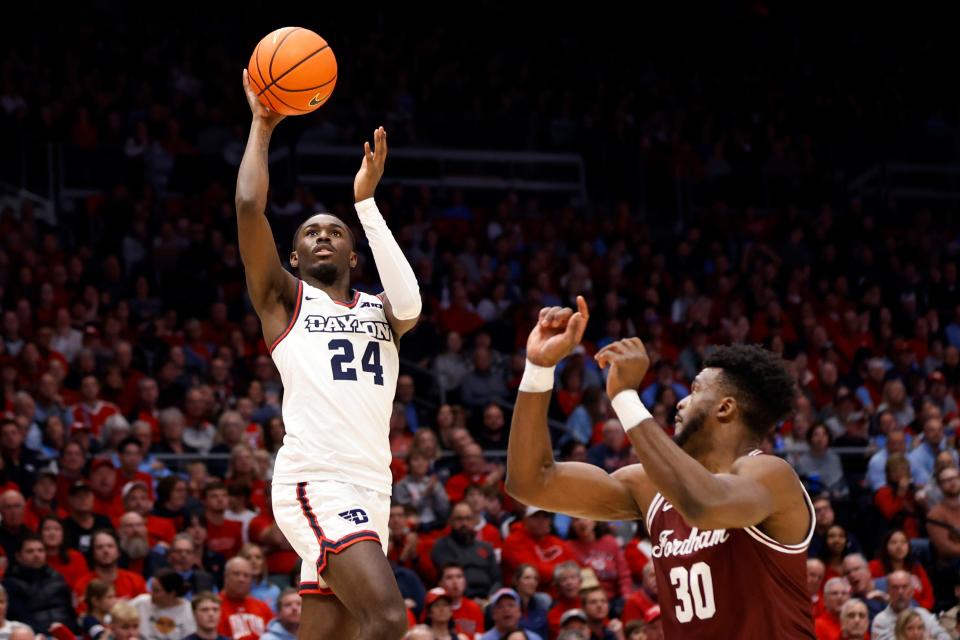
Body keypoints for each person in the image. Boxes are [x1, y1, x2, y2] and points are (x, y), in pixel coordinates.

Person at [506, 298, 815, 638]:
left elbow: (705, 504)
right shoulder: (651, 487)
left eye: (695, 391)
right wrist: (538, 368)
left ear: (725, 408)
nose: (681, 401)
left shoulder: (772, 475)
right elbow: (531, 482)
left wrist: (625, 397)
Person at [237, 68, 420, 640]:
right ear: (292, 258)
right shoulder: (284, 301)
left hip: (373, 487)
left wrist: (365, 204)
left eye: (335, 231)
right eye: (311, 232)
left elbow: (411, 303)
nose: (322, 235)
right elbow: (248, 206)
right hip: (317, 481)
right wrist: (262, 126)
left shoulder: (381, 310)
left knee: (334, 632)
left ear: (353, 254)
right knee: (389, 620)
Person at [129, 568, 196, 640]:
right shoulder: (141, 602)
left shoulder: (189, 611)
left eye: (156, 590)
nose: (151, 594)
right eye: (151, 589)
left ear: (172, 593)